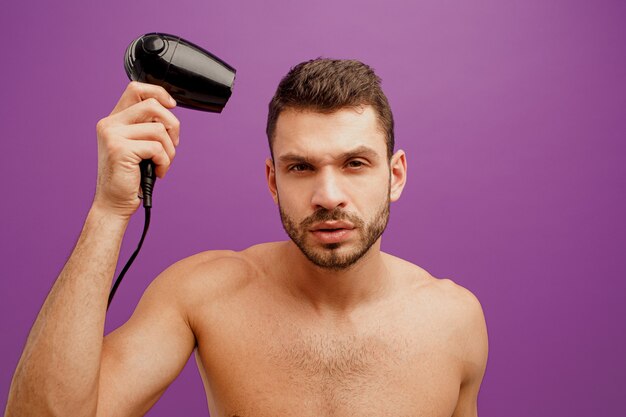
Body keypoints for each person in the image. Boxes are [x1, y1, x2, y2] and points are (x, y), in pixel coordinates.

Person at [6, 58, 488, 417]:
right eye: (300, 167)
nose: (328, 195)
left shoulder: (454, 319)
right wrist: (109, 210)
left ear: (396, 175)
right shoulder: (204, 293)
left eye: (355, 163)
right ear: (272, 179)